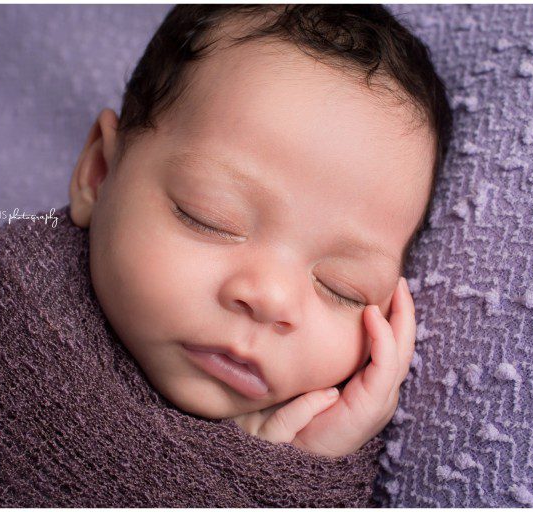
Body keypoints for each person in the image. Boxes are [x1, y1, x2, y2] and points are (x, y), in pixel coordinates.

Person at [67, 4, 452, 457]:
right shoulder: (8, 304)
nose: (272, 299)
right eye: (209, 218)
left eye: (342, 288)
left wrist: (297, 467)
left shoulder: (324, 439)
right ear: (99, 173)